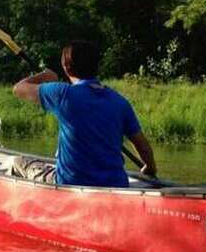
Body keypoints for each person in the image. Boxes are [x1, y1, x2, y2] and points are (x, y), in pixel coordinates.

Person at [10, 40, 156, 187]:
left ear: (66, 67)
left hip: (70, 182)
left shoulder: (62, 94)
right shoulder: (120, 102)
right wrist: (149, 168)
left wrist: (45, 76)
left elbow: (18, 88)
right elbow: (143, 147)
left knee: (17, 162)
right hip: (116, 183)